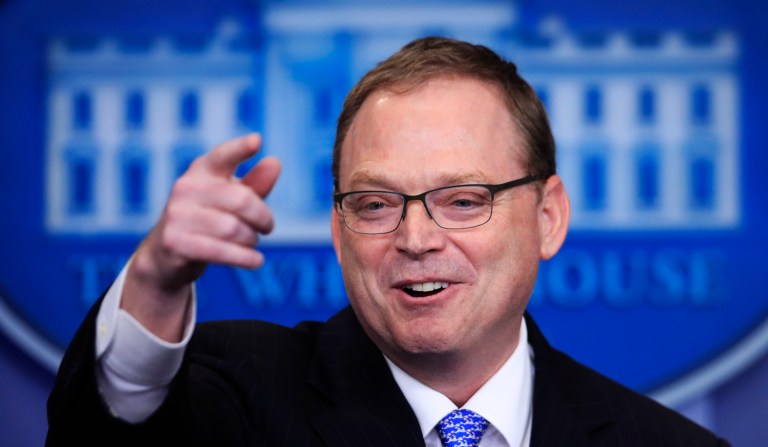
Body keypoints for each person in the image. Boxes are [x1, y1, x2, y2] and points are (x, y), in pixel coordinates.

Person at [47, 37, 730, 446]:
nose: (416, 238)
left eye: (463, 200)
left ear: (548, 217)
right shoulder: (236, 397)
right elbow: (117, 428)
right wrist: (156, 280)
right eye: (375, 204)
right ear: (338, 230)